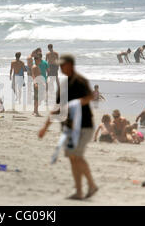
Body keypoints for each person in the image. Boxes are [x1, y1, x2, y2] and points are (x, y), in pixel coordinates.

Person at [38, 54, 98, 200]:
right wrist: (45, 127)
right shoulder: (64, 83)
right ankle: (79, 191)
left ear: (70, 65)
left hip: (84, 126)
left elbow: (91, 96)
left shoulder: (80, 81)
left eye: (62, 65)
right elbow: (57, 107)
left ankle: (91, 184)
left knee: (76, 156)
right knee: (72, 158)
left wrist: (76, 103)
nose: (60, 67)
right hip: (68, 127)